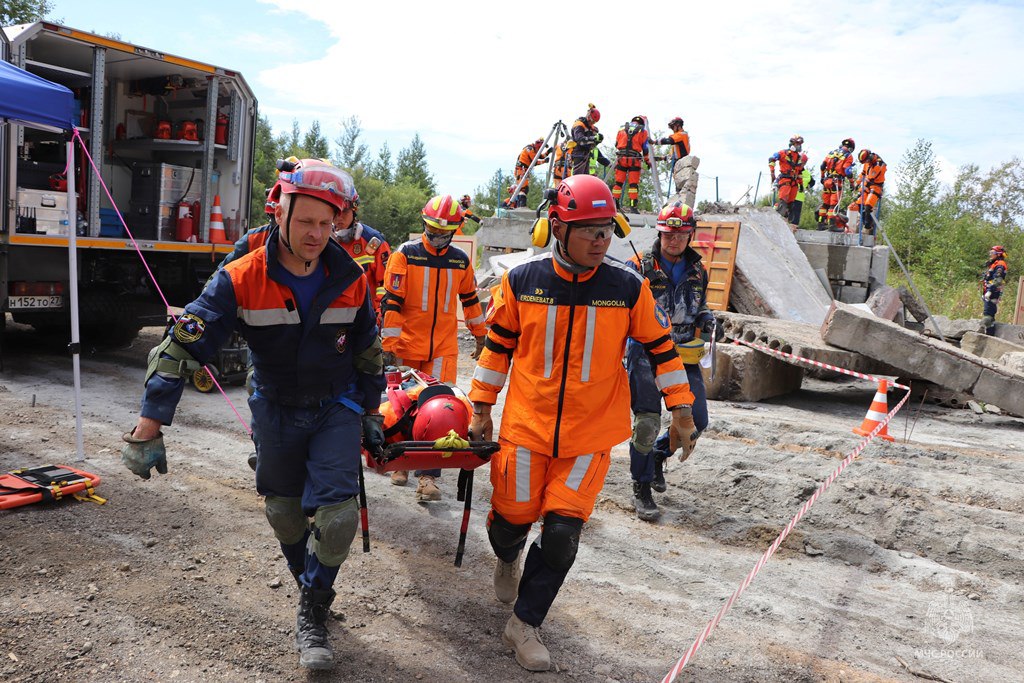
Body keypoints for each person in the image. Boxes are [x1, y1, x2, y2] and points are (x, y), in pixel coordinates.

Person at [120, 159, 385, 671]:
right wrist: (150, 424)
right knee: (284, 512)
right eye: (305, 221)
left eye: (326, 224)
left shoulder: (352, 277)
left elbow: (368, 349)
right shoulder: (242, 276)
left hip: (337, 403)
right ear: (278, 214)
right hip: (276, 406)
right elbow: (181, 347)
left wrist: (373, 411)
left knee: (338, 517)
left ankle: (312, 610)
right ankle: (313, 584)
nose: (316, 234)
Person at [468, 175, 697, 671]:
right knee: (510, 524)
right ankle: (507, 555)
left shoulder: (626, 287)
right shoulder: (521, 282)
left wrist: (680, 408)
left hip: (589, 436)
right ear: (558, 228)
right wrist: (481, 407)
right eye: (588, 230)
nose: (600, 240)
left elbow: (662, 348)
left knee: (562, 535)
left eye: (605, 230)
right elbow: (497, 348)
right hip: (525, 430)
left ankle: (524, 623)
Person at [380, 194, 488, 500]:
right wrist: (389, 346)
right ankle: (400, 463)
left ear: (454, 231)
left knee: (441, 409)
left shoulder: (459, 261)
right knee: (403, 406)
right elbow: (392, 303)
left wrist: (480, 336)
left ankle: (427, 477)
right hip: (406, 345)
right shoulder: (405, 255)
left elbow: (470, 302)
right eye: (431, 230)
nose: (436, 237)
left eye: (442, 232)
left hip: (442, 347)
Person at [625, 201, 717, 520]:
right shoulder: (638, 267)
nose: (673, 240)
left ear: (690, 235)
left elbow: (700, 305)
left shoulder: (697, 270)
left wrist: (707, 319)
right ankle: (642, 487)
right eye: (668, 234)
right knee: (648, 423)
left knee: (697, 421)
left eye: (680, 235)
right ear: (660, 234)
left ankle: (658, 456)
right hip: (644, 352)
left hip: (683, 352)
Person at [613, 116, 651, 213]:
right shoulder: (643, 131)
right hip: (634, 159)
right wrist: (647, 160)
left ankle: (614, 205)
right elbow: (645, 148)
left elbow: (616, 144)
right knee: (633, 185)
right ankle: (633, 207)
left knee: (618, 184)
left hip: (621, 158)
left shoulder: (622, 127)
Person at [817, 138, 857, 229]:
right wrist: (852, 183)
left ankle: (820, 223)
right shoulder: (848, 156)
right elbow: (847, 171)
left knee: (825, 204)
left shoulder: (831, 153)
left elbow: (822, 166)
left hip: (827, 181)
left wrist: (822, 177)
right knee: (833, 205)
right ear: (851, 148)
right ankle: (832, 224)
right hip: (836, 183)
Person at [847, 149, 886, 234]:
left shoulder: (879, 164)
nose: (866, 163)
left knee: (868, 205)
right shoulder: (867, 163)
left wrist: (862, 185)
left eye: (867, 161)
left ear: (870, 157)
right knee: (858, 204)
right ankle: (865, 222)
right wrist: (856, 184)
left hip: (876, 186)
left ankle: (868, 225)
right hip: (867, 185)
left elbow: (871, 177)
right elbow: (863, 174)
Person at [768, 135, 805, 223]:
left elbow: (799, 172)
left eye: (800, 144)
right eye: (798, 144)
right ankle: (777, 220)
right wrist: (772, 173)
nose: (799, 146)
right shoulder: (783, 153)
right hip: (785, 179)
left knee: (791, 204)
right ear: (792, 143)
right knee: (783, 201)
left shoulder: (798, 157)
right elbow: (771, 159)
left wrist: (801, 184)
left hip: (794, 182)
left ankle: (785, 221)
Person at [651, 116, 690, 191]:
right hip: (678, 164)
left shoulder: (682, 134)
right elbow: (673, 156)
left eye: (673, 127)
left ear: (678, 125)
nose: (672, 129)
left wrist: (654, 142)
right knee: (678, 188)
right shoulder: (677, 140)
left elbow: (669, 140)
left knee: (681, 188)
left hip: (682, 164)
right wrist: (661, 158)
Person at [510, 139, 549, 208]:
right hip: (521, 170)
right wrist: (544, 161)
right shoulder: (530, 150)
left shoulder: (532, 149)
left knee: (524, 188)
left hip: (523, 170)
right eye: (540, 148)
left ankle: (520, 205)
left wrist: (548, 151)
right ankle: (521, 206)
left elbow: (540, 156)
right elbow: (534, 162)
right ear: (537, 146)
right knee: (523, 188)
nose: (541, 149)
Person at [981, 245, 1008, 336]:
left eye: (992, 253)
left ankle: (989, 336)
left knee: (987, 317)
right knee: (989, 315)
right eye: (990, 253)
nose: (990, 254)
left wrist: (990, 291)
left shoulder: (1000, 264)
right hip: (989, 291)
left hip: (993, 292)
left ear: (998, 254)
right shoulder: (994, 263)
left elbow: (998, 280)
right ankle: (990, 334)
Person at [569, 103, 602, 176]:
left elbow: (590, 143)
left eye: (594, 122)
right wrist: (593, 138)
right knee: (578, 178)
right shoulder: (579, 125)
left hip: (586, 155)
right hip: (578, 154)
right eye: (592, 121)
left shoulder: (589, 127)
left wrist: (597, 140)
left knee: (585, 179)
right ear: (588, 116)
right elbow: (580, 139)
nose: (592, 123)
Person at [789, 153, 815, 225]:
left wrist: (807, 186)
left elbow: (812, 182)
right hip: (791, 197)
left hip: (796, 197)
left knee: (794, 217)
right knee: (790, 215)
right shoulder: (793, 170)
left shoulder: (805, 173)